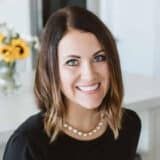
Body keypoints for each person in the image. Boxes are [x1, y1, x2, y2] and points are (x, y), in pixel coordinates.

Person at [3, 6, 141, 160]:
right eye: (72, 62)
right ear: (52, 71)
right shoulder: (28, 145)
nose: (89, 75)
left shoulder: (129, 126)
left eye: (99, 58)